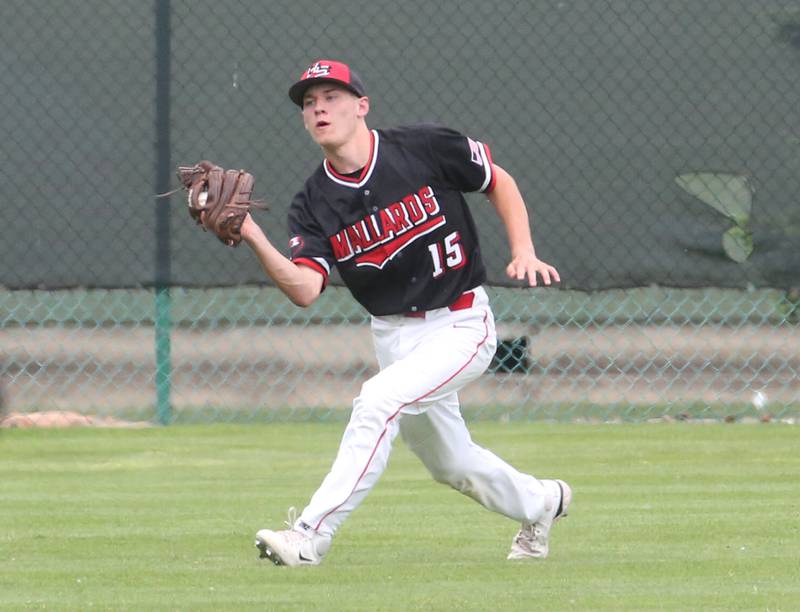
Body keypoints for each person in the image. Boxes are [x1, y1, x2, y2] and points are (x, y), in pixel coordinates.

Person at [245, 59, 571, 566]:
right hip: (393, 338)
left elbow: (496, 179)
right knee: (451, 464)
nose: (319, 109)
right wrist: (249, 233)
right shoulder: (312, 202)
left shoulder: (423, 147)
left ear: (362, 106)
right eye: (309, 103)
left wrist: (523, 248)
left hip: (461, 322)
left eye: (331, 97)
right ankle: (544, 502)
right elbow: (306, 288)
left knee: (377, 401)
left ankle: (310, 535)